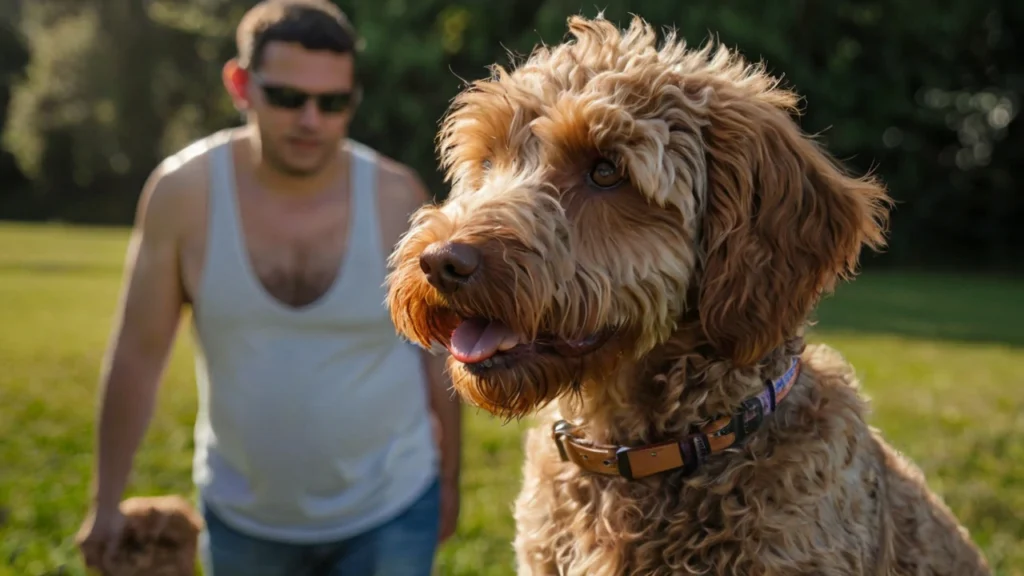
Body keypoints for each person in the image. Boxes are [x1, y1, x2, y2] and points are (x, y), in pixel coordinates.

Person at [74, 0, 461, 574]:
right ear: (240, 84)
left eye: (333, 103)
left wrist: (449, 482)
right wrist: (105, 503)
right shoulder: (183, 195)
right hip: (243, 518)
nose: (311, 120)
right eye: (287, 97)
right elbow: (137, 354)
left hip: (393, 507)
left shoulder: (395, 195)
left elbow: (437, 358)